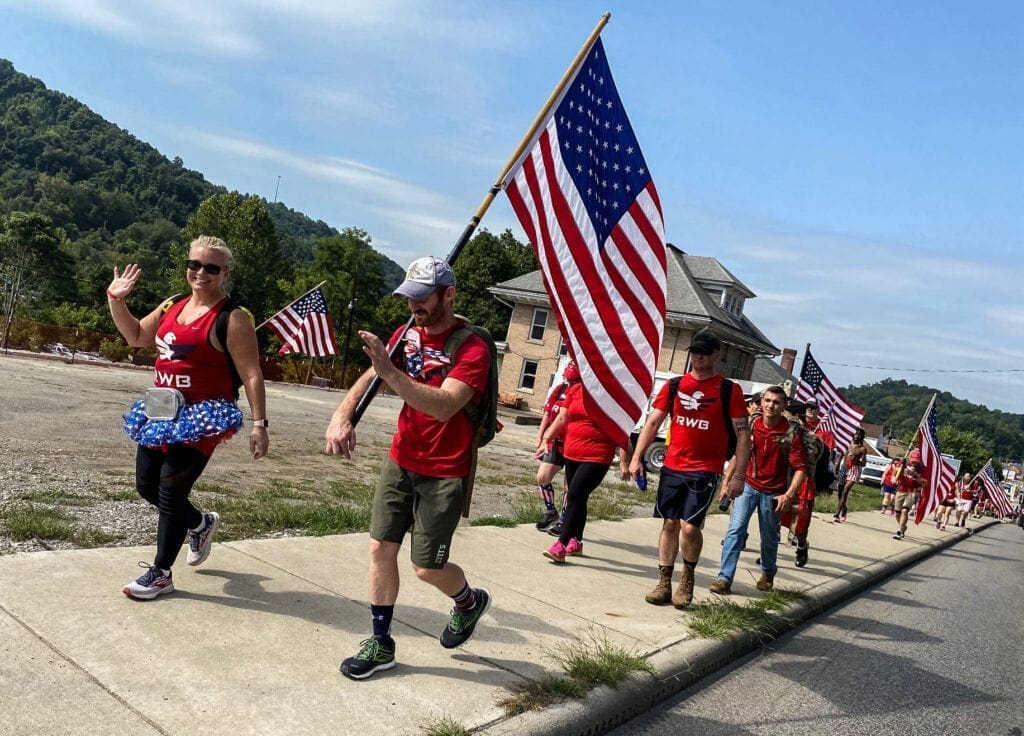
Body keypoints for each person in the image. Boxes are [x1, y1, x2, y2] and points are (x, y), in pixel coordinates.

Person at [325, 256, 491, 681]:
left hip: (444, 470)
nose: (413, 306)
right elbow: (372, 376)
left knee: (427, 568)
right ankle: (380, 643)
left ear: (448, 295)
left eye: (422, 298)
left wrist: (391, 372)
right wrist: (342, 415)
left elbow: (443, 406)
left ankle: (469, 602)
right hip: (401, 458)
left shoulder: (472, 349)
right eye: (408, 297)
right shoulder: (407, 333)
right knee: (381, 547)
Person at [106, 235, 269, 600]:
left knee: (170, 489)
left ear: (225, 273)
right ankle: (200, 523)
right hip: (162, 410)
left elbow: (252, 373)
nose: (201, 272)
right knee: (147, 486)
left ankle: (161, 572)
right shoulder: (172, 306)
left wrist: (259, 425)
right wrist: (116, 300)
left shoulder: (233, 317)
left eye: (211, 267)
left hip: (203, 415)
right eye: (194, 264)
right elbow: (135, 336)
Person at [628, 331, 750, 608]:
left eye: (705, 352)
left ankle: (688, 576)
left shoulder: (729, 390)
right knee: (669, 522)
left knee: (690, 526)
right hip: (673, 465)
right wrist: (637, 458)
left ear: (717, 355)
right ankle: (664, 581)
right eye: (695, 351)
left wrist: (738, 475)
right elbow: (653, 423)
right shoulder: (674, 386)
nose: (698, 356)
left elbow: (743, 435)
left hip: (705, 469)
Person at [710, 385, 806, 595]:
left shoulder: (790, 433)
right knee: (735, 531)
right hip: (748, 486)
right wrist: (727, 483)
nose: (771, 405)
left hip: (774, 492)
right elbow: (738, 454)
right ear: (762, 402)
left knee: (769, 536)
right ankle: (724, 578)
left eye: (776, 402)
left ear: (784, 406)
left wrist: (788, 495)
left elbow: (800, 469)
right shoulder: (752, 424)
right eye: (768, 401)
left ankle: (768, 571)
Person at [539, 375, 630, 563]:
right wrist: (547, 439)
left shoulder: (613, 394)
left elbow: (622, 429)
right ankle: (577, 541)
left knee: (574, 494)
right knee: (579, 499)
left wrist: (624, 462)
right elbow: (562, 417)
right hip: (572, 453)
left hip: (597, 455)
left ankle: (561, 545)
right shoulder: (575, 390)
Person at [533, 361, 580, 532]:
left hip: (573, 443)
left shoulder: (583, 394)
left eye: (574, 380)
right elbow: (547, 414)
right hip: (555, 441)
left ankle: (565, 520)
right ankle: (551, 512)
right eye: (568, 379)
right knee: (542, 477)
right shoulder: (560, 389)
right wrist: (540, 436)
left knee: (570, 485)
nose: (570, 384)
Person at [779, 402, 825, 568]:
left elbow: (820, 459)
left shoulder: (814, 435)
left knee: (799, 522)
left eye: (785, 413)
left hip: (803, 482)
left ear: (796, 417)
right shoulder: (780, 429)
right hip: (781, 479)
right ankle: (768, 554)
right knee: (772, 519)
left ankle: (802, 545)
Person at [833, 428, 867, 523]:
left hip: (853, 470)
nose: (856, 436)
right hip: (844, 468)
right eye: (855, 434)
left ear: (861, 437)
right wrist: (836, 466)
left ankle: (837, 513)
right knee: (840, 490)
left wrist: (856, 461)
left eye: (858, 435)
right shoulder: (847, 444)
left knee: (845, 491)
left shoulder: (862, 449)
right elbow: (840, 456)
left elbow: (864, 463)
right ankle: (844, 509)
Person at [893, 448, 926, 540]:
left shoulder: (922, 469)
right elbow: (894, 473)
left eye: (916, 461)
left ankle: (899, 531)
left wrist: (915, 475)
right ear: (909, 458)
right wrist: (894, 479)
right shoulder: (903, 464)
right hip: (901, 489)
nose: (914, 463)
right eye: (913, 461)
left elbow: (924, 483)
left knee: (905, 510)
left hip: (913, 491)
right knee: (897, 512)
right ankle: (903, 526)